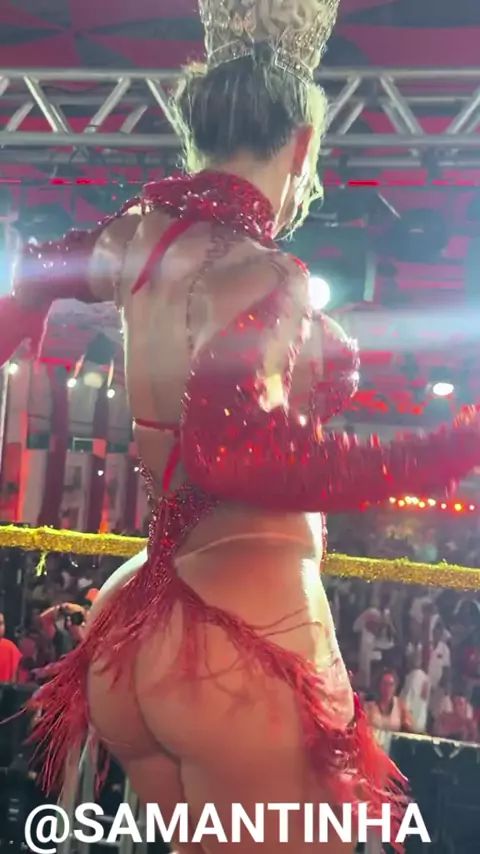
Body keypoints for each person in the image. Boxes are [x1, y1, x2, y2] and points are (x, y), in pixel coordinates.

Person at [3, 1, 480, 851]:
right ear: (303, 145)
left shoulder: (132, 237)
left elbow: (31, 282)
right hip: (241, 631)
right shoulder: (267, 272)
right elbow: (239, 455)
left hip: (138, 625)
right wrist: (449, 448)